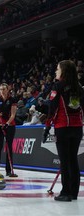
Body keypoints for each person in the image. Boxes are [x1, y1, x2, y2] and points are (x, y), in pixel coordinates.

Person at [44, 60, 84, 202]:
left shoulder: (58, 86)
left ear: (64, 71)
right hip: (77, 128)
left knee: (65, 161)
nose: (56, 71)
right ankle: (73, 192)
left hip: (63, 128)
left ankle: (65, 192)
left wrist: (47, 127)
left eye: (57, 68)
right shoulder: (79, 87)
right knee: (73, 160)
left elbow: (52, 109)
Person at [0, 83, 18, 177]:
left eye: (4, 89)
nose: (2, 91)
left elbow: (13, 115)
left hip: (10, 125)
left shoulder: (12, 99)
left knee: (9, 147)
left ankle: (9, 170)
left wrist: (7, 123)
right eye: (1, 89)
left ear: (8, 89)